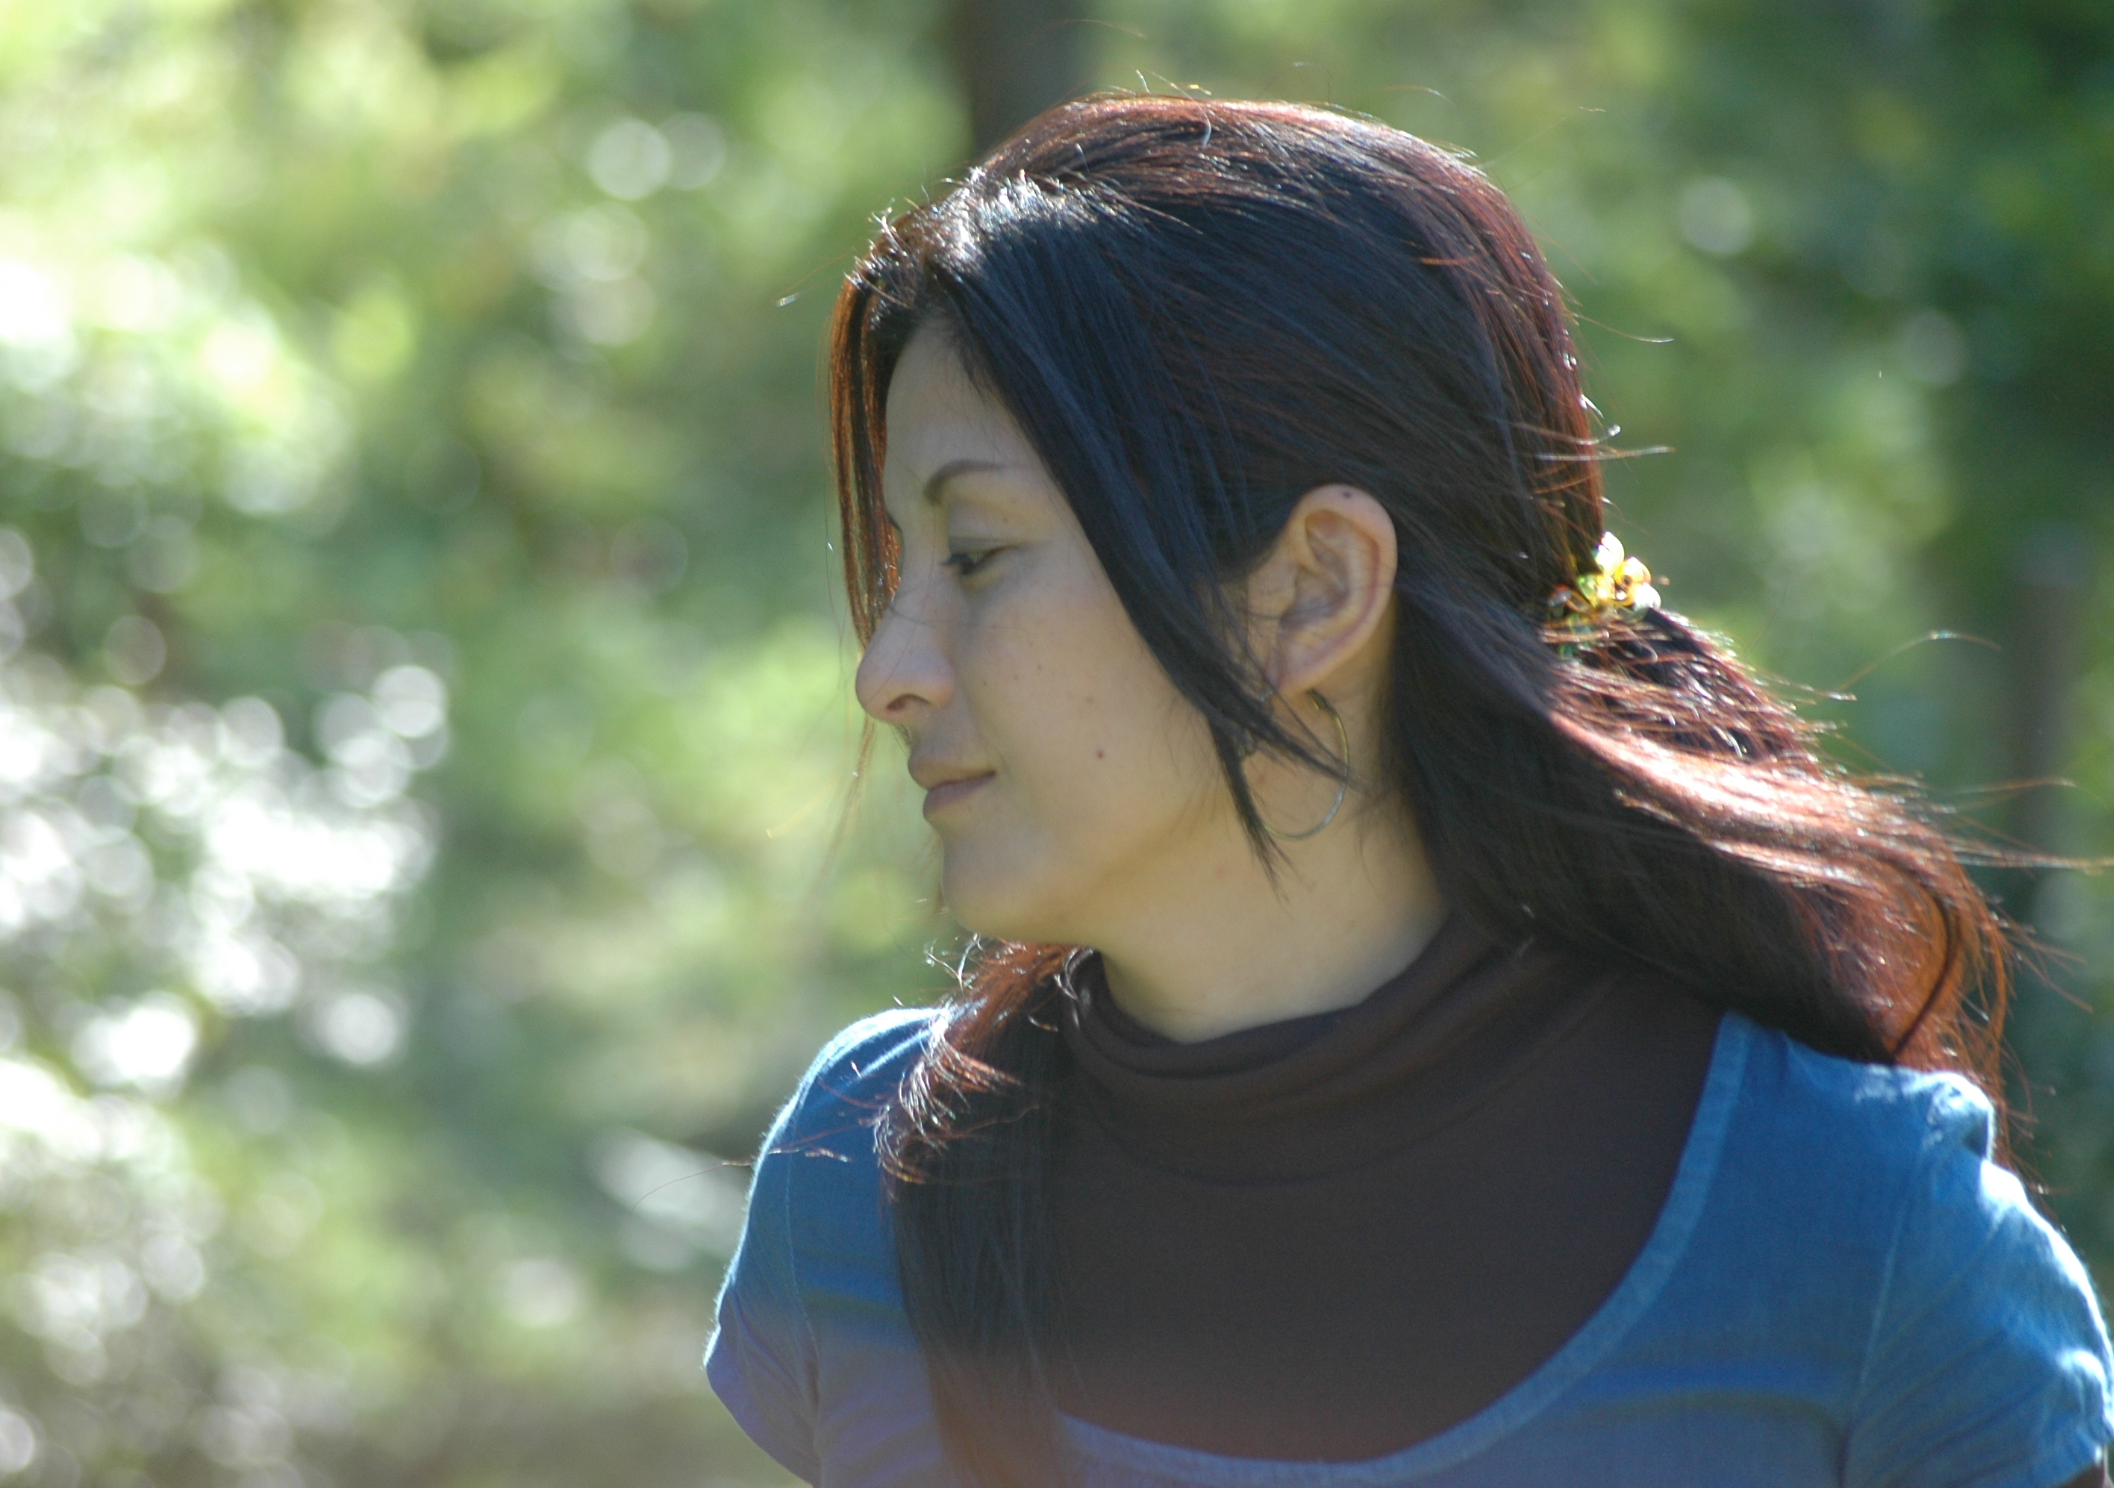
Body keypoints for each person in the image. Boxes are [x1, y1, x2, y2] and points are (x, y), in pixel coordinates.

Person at [703, 94, 2114, 1488]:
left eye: (978, 555)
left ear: (1316, 590)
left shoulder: (1863, 1238)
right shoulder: (859, 1183)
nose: (887, 671)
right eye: (901, 568)